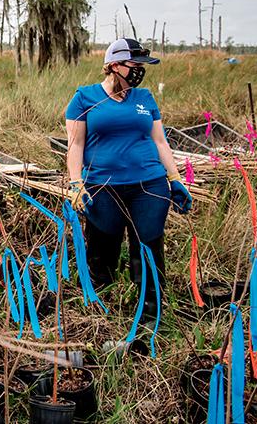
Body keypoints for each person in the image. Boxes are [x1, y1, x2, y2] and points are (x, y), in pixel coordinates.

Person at [65, 38, 192, 323]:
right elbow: (75, 146)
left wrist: (175, 178)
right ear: (113, 65)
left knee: (148, 244)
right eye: (133, 65)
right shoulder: (84, 98)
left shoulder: (144, 97)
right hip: (101, 186)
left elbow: (160, 142)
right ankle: (99, 312)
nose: (138, 72)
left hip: (149, 184)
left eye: (141, 66)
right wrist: (76, 183)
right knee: (102, 249)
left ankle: (150, 312)